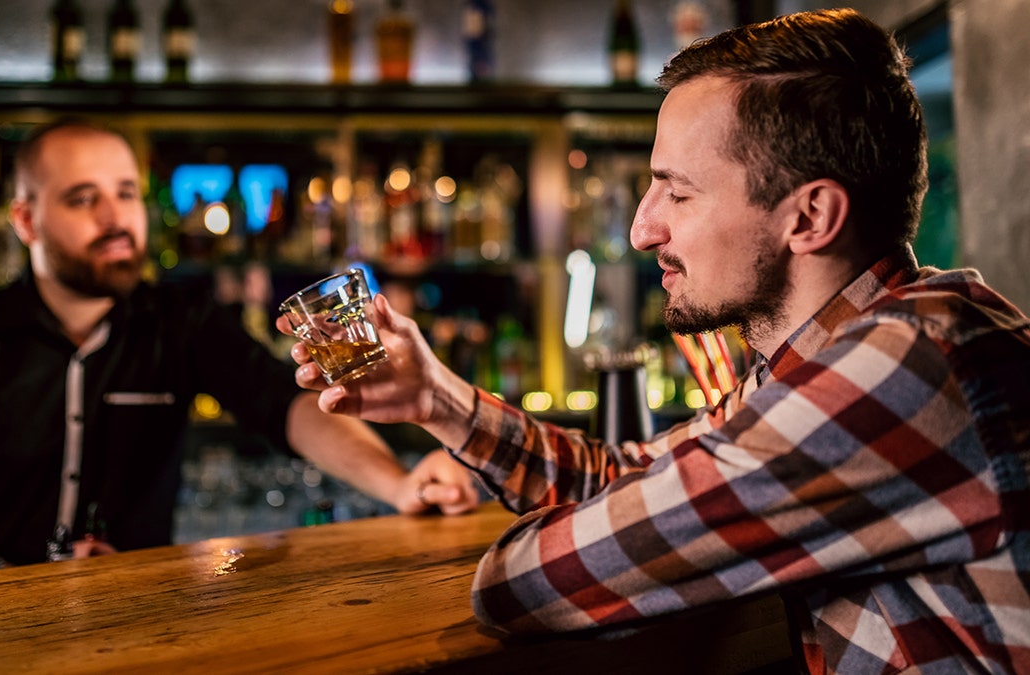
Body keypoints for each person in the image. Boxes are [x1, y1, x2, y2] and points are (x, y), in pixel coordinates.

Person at [281, 9, 1030, 674]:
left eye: (677, 192)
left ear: (808, 218)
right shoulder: (816, 362)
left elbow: (530, 583)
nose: (643, 228)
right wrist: (435, 397)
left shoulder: (914, 363)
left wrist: (608, 530)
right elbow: (623, 477)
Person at [0, 119, 479, 582]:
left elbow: (286, 405)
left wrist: (397, 484)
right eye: (83, 199)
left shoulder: (180, 323)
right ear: (26, 221)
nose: (116, 219)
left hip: (138, 622)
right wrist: (6, 588)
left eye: (127, 193)